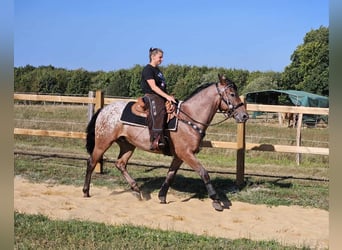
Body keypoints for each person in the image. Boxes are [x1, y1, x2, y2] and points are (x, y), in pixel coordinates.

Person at [141, 47, 176, 151]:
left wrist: (169, 96)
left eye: (162, 57)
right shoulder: (148, 69)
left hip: (160, 96)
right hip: (151, 96)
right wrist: (167, 96)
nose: (162, 59)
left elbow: (162, 86)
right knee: (160, 110)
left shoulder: (158, 70)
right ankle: (156, 139)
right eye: (160, 57)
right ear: (153, 56)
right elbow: (153, 87)